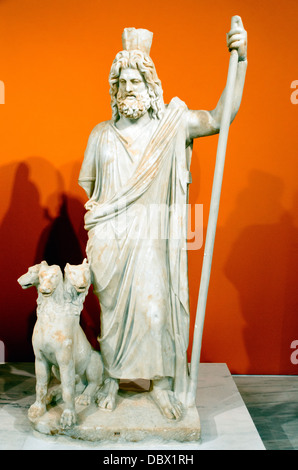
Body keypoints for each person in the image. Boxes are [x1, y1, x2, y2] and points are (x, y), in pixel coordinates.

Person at [78, 20, 247, 420]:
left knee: (155, 311)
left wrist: (240, 60)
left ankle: (160, 384)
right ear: (114, 89)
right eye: (122, 81)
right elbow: (93, 190)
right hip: (111, 240)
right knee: (113, 316)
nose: (129, 87)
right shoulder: (100, 135)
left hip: (152, 236)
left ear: (150, 84)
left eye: (136, 79)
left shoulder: (171, 126)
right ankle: (113, 379)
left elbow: (221, 116)